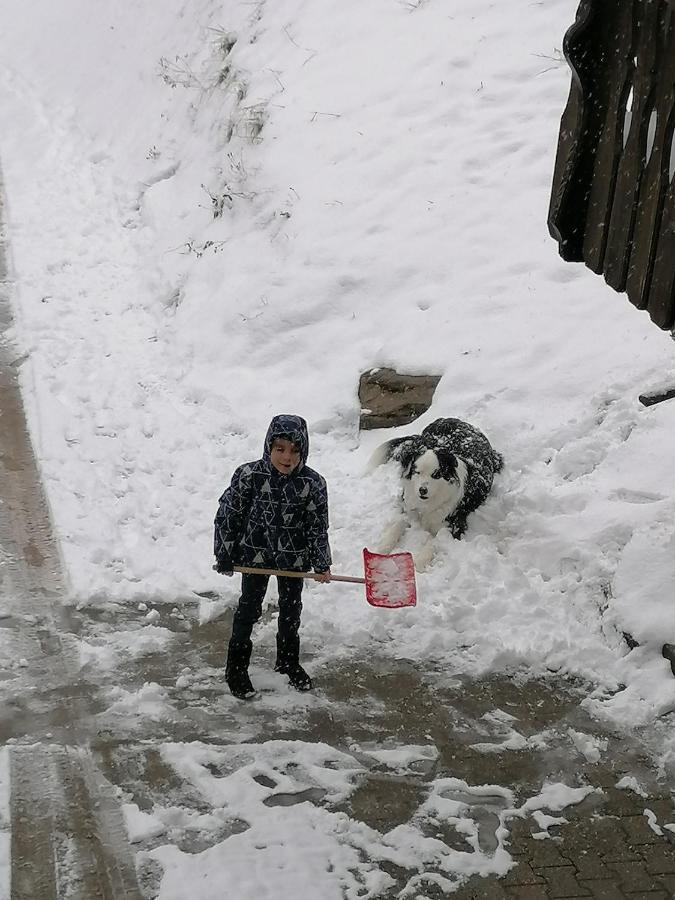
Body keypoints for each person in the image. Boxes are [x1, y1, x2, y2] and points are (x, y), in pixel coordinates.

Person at [213, 414, 332, 700]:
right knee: (248, 609)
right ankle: (236, 668)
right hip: (255, 556)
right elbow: (229, 516)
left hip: (293, 559)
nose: (287, 457)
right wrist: (225, 552)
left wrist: (321, 562)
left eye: (294, 450)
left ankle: (288, 662)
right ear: (268, 447)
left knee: (291, 613)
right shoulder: (249, 476)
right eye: (280, 449)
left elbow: (317, 525)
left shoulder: (312, 483)